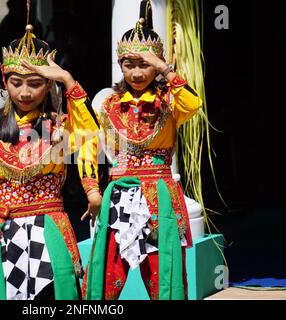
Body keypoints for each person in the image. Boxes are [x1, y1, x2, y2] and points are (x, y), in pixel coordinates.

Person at [0, 20, 101, 300]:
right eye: (16, 83)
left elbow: (92, 136)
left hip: (51, 231)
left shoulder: (61, 127)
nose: (25, 93)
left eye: (35, 83)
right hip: (2, 231)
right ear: (5, 80)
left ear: (48, 84)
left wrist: (67, 80)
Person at [80, 0, 202, 300]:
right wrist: (92, 191)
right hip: (119, 195)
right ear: (120, 65)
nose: (136, 73)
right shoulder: (107, 105)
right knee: (107, 275)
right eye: (129, 64)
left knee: (165, 276)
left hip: (160, 197)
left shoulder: (170, 101)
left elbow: (193, 104)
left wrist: (165, 69)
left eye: (144, 64)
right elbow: (85, 147)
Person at [0, 0, 43, 88]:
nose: (28, 7)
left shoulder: (36, 26)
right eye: (24, 5)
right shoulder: (4, 31)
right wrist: (12, 84)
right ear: (11, 5)